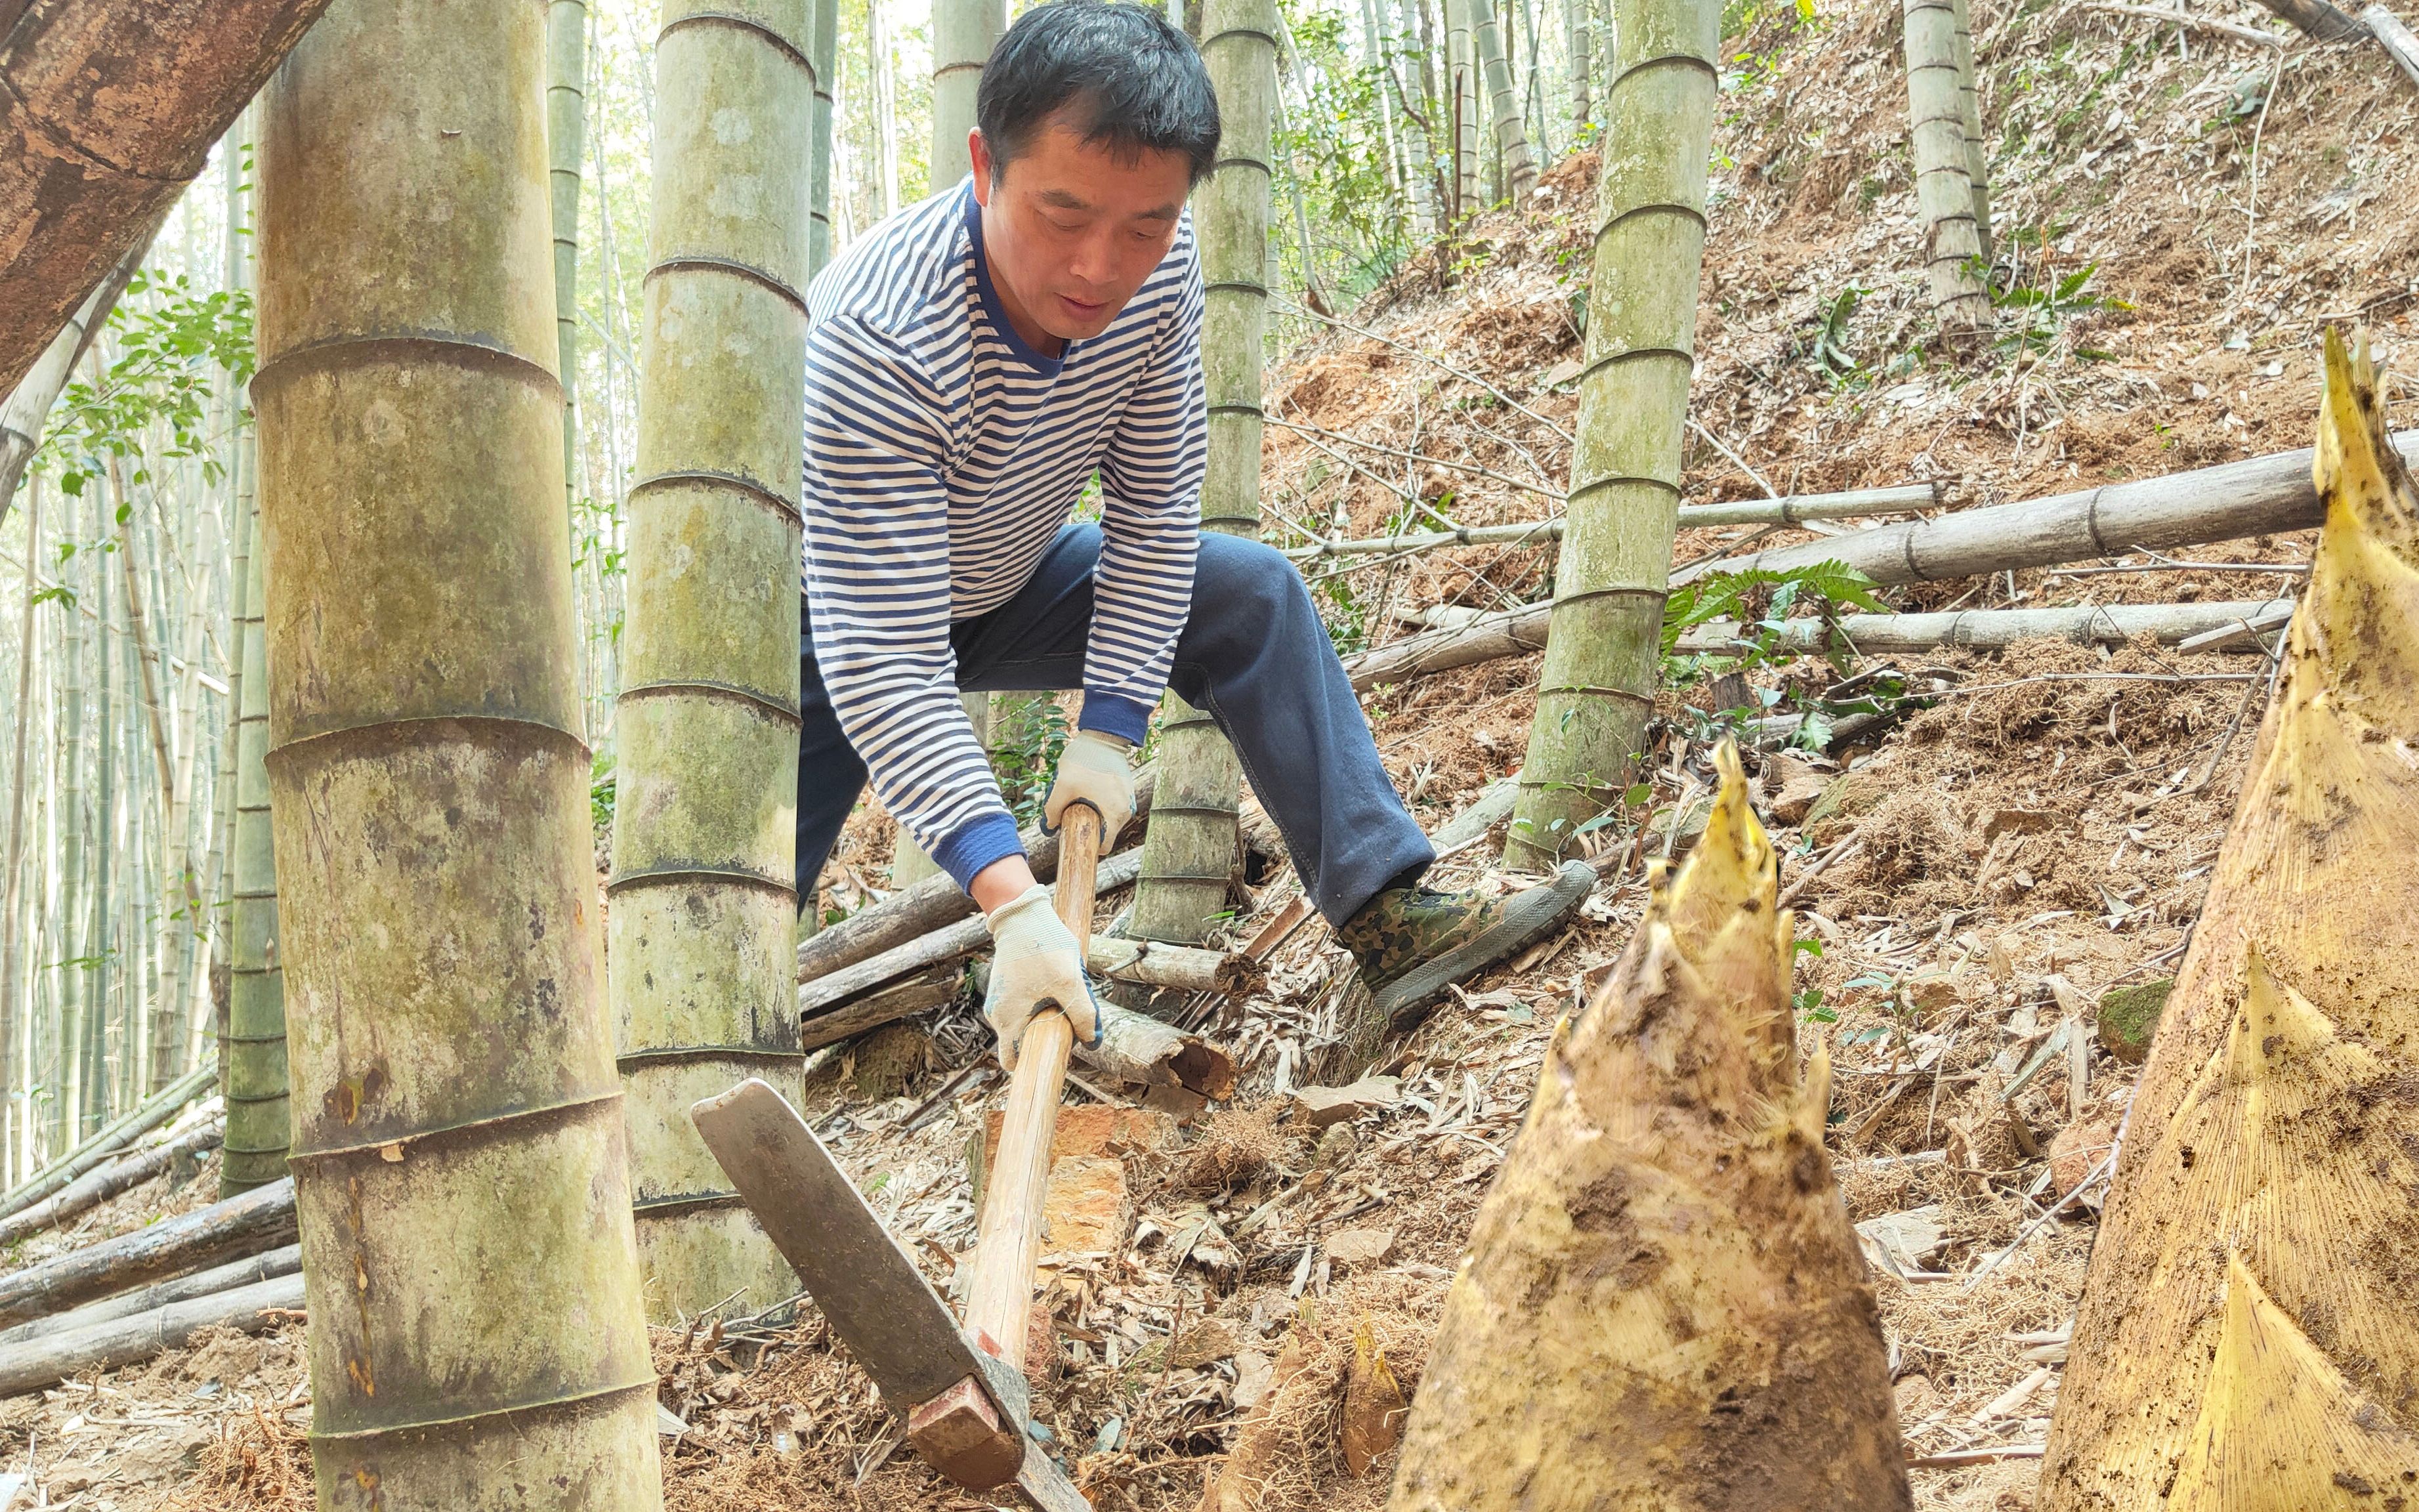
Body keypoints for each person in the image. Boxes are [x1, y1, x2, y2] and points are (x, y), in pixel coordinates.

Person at [798, 0, 1591, 1070]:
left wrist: (1110, 727)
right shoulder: (880, 333)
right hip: (829, 626)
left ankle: (1387, 913)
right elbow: (888, 657)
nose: (1097, 267)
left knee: (1248, 596)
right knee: (733, 900)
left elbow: (1155, 511)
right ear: (985, 165)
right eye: (1062, 215)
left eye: (1143, 224)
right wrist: (1010, 901)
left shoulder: (1157, 279)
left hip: (1007, 574)